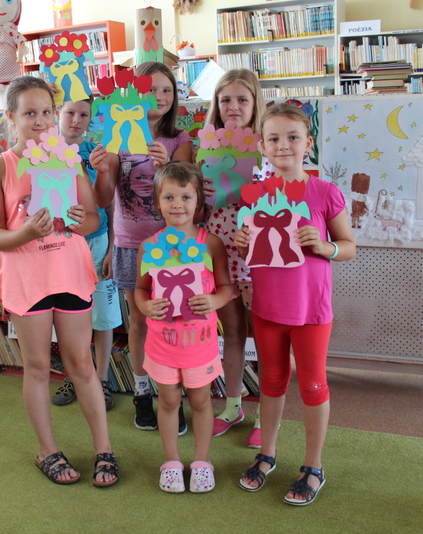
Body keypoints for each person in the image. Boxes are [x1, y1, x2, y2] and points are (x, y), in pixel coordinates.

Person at [0, 76, 118, 487]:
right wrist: (26, 232)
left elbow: (92, 219)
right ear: (11, 117)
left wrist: (78, 221)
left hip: (70, 275)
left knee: (82, 365)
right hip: (28, 281)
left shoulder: (68, 160)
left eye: (46, 112)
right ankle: (47, 450)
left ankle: (105, 449)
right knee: (39, 367)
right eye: (29, 113)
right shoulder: (0, 167)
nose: (40, 121)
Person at [234, 103, 355, 505]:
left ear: (308, 142)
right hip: (268, 308)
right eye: (273, 138)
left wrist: (325, 246)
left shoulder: (325, 192)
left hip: (311, 311)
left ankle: (313, 466)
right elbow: (252, 248)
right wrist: (241, 242)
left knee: (313, 385)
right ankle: (267, 454)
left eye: (292, 137)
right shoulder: (255, 196)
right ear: (262, 146)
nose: (283, 145)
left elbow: (349, 246)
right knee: (271, 381)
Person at [92, 62, 193, 431]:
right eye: (152, 89)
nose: (160, 97)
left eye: (167, 90)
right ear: (136, 94)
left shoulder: (179, 140)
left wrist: (167, 167)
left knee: (172, 321)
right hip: (130, 244)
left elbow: (187, 193)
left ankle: (171, 395)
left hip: (171, 247)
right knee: (139, 322)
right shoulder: (117, 138)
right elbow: (104, 198)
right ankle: (141, 392)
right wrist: (103, 169)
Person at [134, 161, 232, 493]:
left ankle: (202, 462)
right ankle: (172, 462)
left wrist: (215, 301)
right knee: (168, 402)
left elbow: (226, 287)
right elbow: (141, 289)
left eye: (186, 197)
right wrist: (145, 306)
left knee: (202, 402)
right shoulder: (149, 246)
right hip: (162, 344)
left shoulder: (211, 243)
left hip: (200, 345)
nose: (178, 204)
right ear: (157, 202)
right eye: (169, 197)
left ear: (198, 201)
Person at [200, 69, 267, 447]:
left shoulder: (267, 146)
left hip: (256, 252)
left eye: (242, 99)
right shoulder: (207, 146)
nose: (234, 106)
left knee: (266, 337)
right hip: (220, 250)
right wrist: (199, 186)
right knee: (234, 332)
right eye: (226, 100)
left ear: (255, 103)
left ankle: (267, 414)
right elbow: (198, 207)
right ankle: (233, 406)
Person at [52, 97, 122, 411]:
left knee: (103, 316)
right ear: (58, 113)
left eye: (83, 114)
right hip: (62, 244)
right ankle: (74, 375)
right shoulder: (44, 152)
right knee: (68, 315)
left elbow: (110, 204)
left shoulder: (97, 153)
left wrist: (112, 247)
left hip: (98, 242)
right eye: (70, 112)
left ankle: (102, 378)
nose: (76, 120)